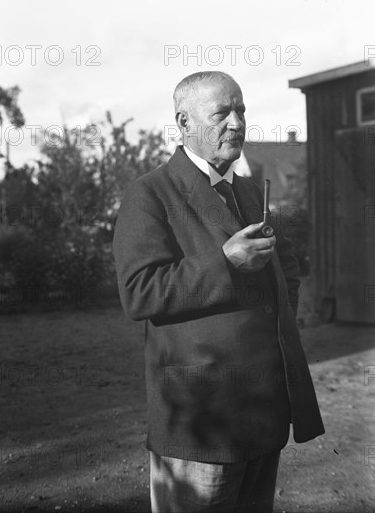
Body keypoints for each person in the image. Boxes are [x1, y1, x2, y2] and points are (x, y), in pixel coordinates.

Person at [113, 71, 324, 513]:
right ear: (184, 123)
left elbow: (286, 269)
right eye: (221, 113)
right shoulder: (149, 194)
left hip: (262, 414)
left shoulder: (249, 191)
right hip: (200, 425)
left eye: (241, 110)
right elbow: (139, 292)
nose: (236, 122)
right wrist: (226, 261)